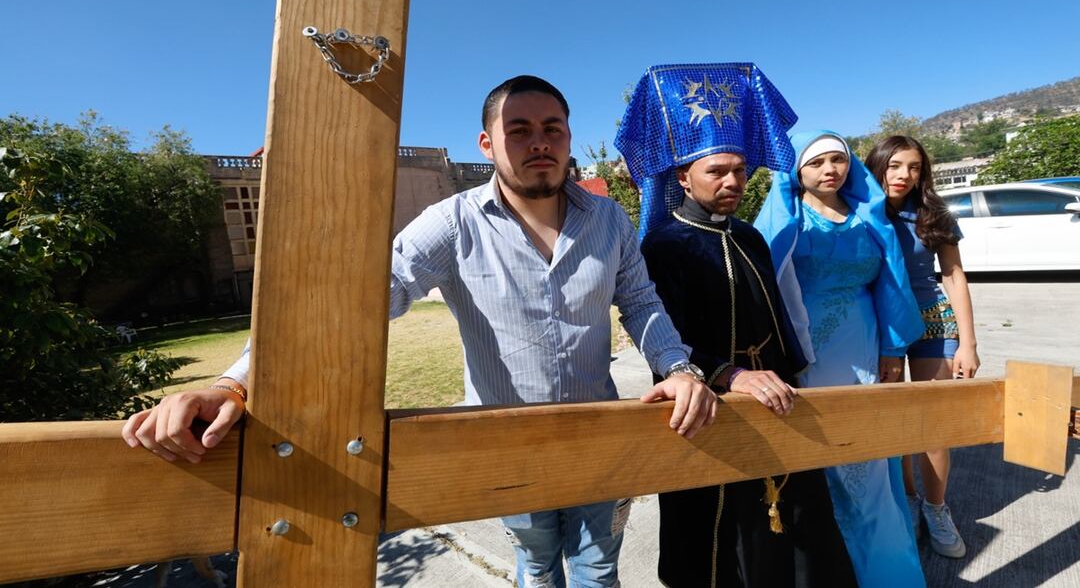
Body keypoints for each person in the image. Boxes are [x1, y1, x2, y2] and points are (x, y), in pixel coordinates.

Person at [122, 75, 718, 588]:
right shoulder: (452, 223)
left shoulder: (608, 218)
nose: (539, 141)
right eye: (519, 129)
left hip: (599, 436)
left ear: (567, 135)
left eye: (553, 128)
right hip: (504, 444)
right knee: (536, 570)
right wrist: (235, 385)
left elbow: (641, 303)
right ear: (487, 143)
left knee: (599, 572)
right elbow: (352, 305)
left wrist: (680, 369)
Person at [615, 63, 857, 587]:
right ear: (682, 176)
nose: (732, 182)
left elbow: (775, 321)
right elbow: (661, 339)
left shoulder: (749, 237)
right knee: (718, 546)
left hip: (776, 399)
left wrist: (790, 377)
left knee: (795, 531)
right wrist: (729, 374)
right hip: (706, 411)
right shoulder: (663, 246)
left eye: (740, 170)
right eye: (716, 171)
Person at [754, 131, 927, 587]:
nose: (830, 169)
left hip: (864, 342)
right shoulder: (785, 218)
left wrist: (892, 348)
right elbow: (761, 285)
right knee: (820, 456)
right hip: (809, 351)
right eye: (817, 163)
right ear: (798, 172)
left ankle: (884, 573)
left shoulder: (870, 215)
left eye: (838, 160)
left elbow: (891, 283)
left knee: (868, 460)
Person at [866, 135, 980, 559]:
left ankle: (936, 508)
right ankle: (909, 502)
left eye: (913, 168)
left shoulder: (934, 212)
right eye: (895, 165)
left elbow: (954, 277)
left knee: (934, 423)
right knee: (897, 423)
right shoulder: (861, 211)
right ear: (878, 165)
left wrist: (967, 343)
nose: (904, 175)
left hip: (934, 321)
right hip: (883, 325)